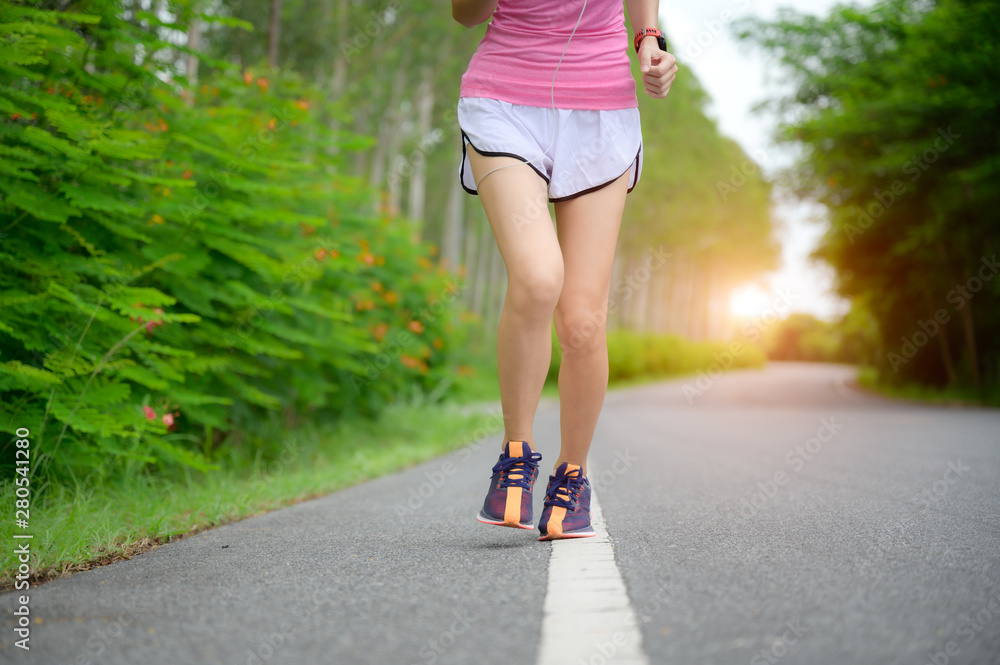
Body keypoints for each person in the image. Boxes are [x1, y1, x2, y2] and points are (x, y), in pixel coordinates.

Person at [451, 0, 677, 540]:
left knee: (581, 320)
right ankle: (515, 454)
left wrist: (649, 37)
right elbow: (465, 14)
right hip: (503, 101)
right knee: (537, 276)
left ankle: (571, 477)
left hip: (600, 107)